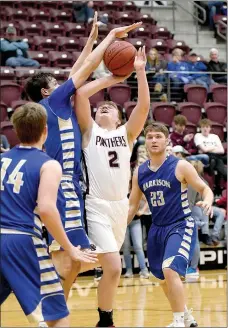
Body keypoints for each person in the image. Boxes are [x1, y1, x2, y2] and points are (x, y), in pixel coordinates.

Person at [24, 14, 142, 303]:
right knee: (69, 258)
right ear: (46, 91)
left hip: (70, 186)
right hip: (61, 185)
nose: (65, 82)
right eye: (57, 82)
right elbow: (85, 70)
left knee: (75, 260)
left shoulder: (54, 103)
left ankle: (54, 311)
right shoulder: (52, 102)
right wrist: (111, 38)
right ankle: (48, 311)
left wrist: (92, 39)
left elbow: (79, 70)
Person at [0, 103, 97, 327]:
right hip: (22, 240)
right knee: (56, 313)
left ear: (15, 130)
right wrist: (70, 248)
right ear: (45, 130)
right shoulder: (48, 164)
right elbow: (46, 208)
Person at [74, 46, 149, 327]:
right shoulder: (89, 132)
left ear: (119, 118)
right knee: (114, 266)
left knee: (110, 270)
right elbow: (81, 93)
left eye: (111, 107)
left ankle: (104, 319)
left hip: (120, 206)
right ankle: (105, 321)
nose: (104, 106)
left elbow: (143, 108)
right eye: (100, 106)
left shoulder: (126, 134)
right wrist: (114, 77)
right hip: (96, 204)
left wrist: (139, 72)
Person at [128, 122, 214, 327]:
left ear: (167, 141)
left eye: (158, 136)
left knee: (169, 270)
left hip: (180, 225)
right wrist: (118, 227)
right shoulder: (140, 172)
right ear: (145, 143)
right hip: (157, 228)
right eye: (150, 137)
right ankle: (185, 316)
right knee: (161, 278)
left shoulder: (180, 165)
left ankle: (177, 322)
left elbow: (205, 188)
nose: (154, 140)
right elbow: (132, 206)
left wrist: (208, 201)